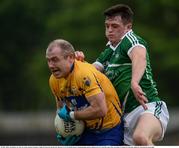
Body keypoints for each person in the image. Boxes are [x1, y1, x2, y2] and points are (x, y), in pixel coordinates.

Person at [75, 4, 169, 145]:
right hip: (123, 118)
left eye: (115, 26)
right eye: (107, 26)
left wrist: (134, 82)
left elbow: (139, 57)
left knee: (141, 138)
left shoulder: (130, 39)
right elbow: (90, 73)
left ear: (128, 27)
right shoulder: (109, 50)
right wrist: (78, 63)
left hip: (147, 107)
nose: (109, 30)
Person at [46, 39, 124, 145]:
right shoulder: (54, 80)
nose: (51, 65)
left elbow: (101, 110)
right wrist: (63, 130)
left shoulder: (84, 75)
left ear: (70, 58)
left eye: (55, 60)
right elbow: (61, 108)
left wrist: (72, 115)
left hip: (109, 130)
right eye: (48, 60)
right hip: (85, 131)